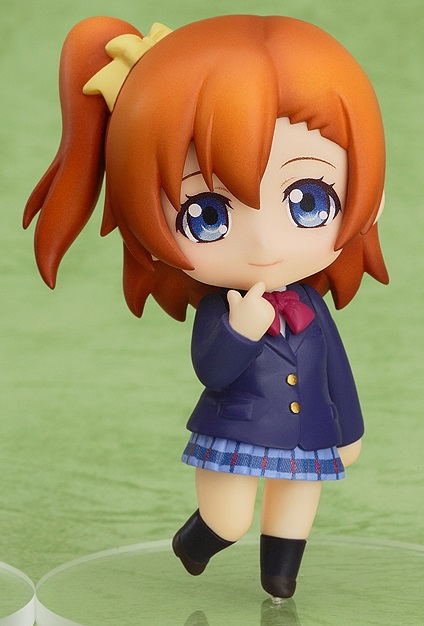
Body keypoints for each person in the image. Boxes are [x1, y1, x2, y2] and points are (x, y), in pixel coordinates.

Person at [23, 14, 388, 599]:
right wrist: (240, 331)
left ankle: (281, 575)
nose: (264, 244)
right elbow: (212, 370)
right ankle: (199, 540)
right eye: (208, 214)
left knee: (298, 501)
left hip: (311, 427)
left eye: (308, 201)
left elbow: (336, 368)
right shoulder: (224, 307)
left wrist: (351, 425)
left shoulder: (308, 304)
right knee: (229, 517)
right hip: (238, 428)